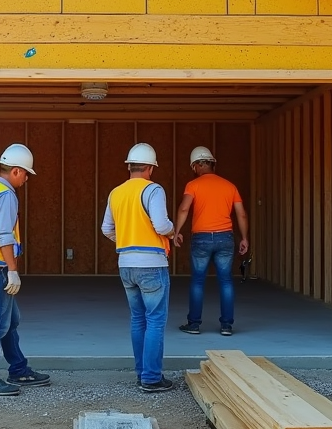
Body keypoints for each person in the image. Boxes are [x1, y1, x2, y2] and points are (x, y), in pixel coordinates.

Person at [0, 143, 50, 396]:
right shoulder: (5, 196)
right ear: (15, 171)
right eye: (26, 173)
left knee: (9, 320)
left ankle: (18, 368)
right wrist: (12, 270)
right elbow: (4, 237)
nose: (26, 178)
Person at [102, 142, 176, 392]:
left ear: (129, 167)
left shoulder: (116, 193)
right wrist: (173, 230)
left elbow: (106, 229)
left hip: (126, 264)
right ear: (150, 168)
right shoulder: (153, 190)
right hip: (152, 264)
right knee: (155, 320)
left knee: (138, 320)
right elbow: (161, 226)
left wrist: (126, 241)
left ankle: (140, 373)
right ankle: (152, 378)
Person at [173, 145, 249, 336]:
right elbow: (241, 214)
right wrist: (245, 238)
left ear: (197, 165)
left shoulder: (193, 185)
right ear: (212, 163)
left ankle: (194, 324)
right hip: (225, 237)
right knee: (225, 281)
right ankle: (226, 326)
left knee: (198, 281)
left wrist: (176, 231)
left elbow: (184, 209)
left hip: (202, 238)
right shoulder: (230, 186)